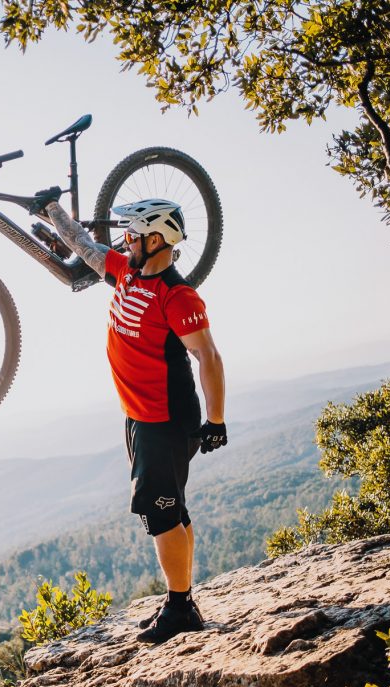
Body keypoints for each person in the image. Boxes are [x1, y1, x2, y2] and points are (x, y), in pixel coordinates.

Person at [31, 188, 228, 644]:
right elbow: (85, 245)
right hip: (139, 417)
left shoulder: (177, 296)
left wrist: (216, 420)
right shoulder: (126, 272)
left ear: (156, 241)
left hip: (165, 420)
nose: (126, 242)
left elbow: (209, 357)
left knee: (161, 515)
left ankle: (180, 608)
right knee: (172, 508)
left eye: (134, 236)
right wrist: (53, 210)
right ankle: (182, 599)